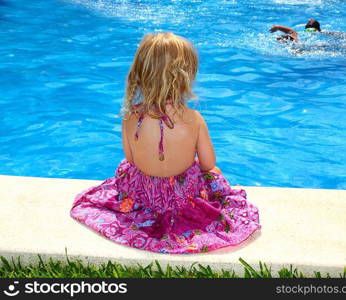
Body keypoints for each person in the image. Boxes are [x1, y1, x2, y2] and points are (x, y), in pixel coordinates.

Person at [70, 32, 261, 254]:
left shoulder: (131, 117)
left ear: (140, 74)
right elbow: (209, 164)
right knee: (213, 171)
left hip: (142, 194)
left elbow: (131, 159)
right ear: (185, 78)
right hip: (182, 197)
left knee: (126, 167)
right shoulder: (194, 119)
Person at [270, 18, 346, 44]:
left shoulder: (297, 39)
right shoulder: (322, 32)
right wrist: (277, 27)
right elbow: (291, 31)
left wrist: (278, 27)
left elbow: (292, 31)